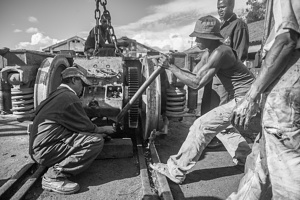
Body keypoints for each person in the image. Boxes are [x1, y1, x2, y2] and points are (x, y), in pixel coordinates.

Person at [150, 15, 254, 184]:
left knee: (202, 125)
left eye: (199, 36)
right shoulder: (209, 53)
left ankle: (175, 170)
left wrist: (170, 67)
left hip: (249, 99)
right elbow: (192, 75)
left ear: (209, 37)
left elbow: (196, 83)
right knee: (223, 128)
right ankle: (246, 159)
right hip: (244, 97)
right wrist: (172, 66)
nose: (196, 39)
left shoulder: (221, 52)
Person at [229, 0, 300, 199]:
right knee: (260, 158)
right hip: (284, 91)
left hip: (286, 90)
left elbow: (287, 40)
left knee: (287, 172)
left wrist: (251, 96)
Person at [29, 67, 111, 194]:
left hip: (39, 148)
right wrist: (104, 129)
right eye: (82, 84)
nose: (83, 89)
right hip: (45, 151)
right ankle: (54, 176)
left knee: (91, 136)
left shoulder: (55, 95)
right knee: (95, 141)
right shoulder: (69, 97)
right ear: (74, 80)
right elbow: (86, 127)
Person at [203, 0, 251, 149]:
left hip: (225, 77)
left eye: (223, 6)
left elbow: (240, 54)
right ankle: (210, 137)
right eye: (218, 7)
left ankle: (223, 141)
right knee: (209, 106)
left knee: (220, 109)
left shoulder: (238, 25)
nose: (220, 10)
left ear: (231, 6)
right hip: (212, 74)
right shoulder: (219, 27)